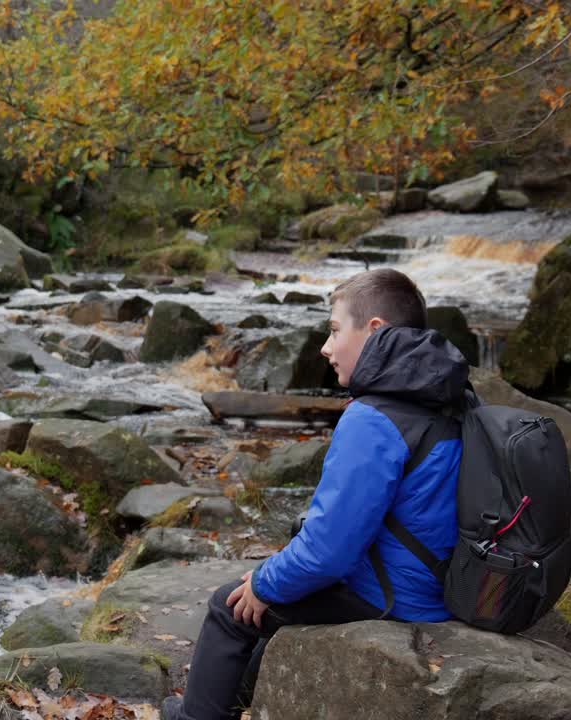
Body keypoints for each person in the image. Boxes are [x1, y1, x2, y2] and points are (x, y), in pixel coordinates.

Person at [163, 268, 469, 720]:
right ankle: (233, 701)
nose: (325, 348)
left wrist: (265, 582)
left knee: (230, 608)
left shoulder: (373, 418)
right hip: (437, 582)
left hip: (393, 596)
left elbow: (329, 554)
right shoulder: (445, 395)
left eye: (333, 330)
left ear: (375, 330)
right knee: (272, 604)